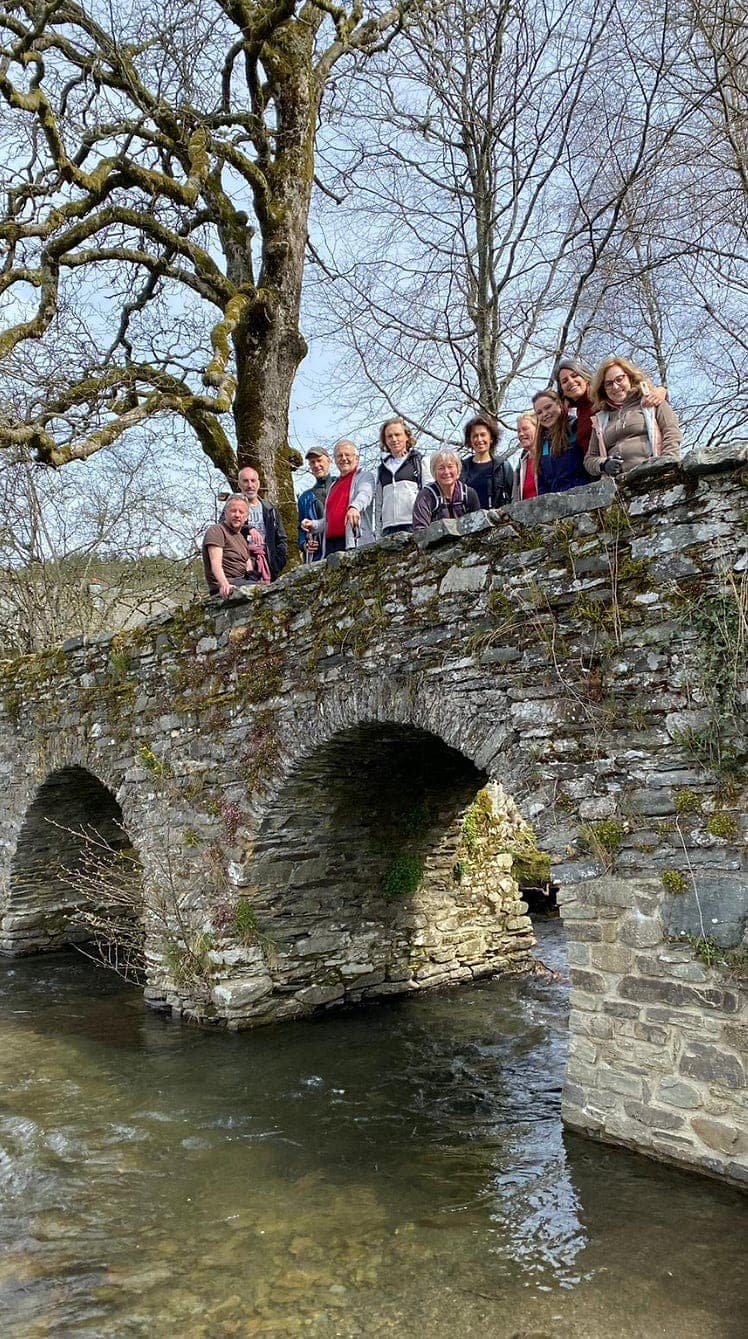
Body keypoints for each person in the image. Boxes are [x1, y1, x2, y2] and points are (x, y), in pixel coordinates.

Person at [584, 357, 682, 479]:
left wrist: (666, 464)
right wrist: (604, 464)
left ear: (630, 377)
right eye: (608, 384)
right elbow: (589, 459)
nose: (615, 387)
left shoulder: (652, 402)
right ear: (603, 389)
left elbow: (671, 432)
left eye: (619, 379)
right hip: (618, 485)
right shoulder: (600, 420)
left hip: (653, 474)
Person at [556, 355, 667, 456]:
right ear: (562, 389)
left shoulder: (603, 399)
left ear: (585, 377)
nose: (571, 381)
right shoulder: (573, 414)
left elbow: (631, 399)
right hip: (595, 470)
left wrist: (661, 390)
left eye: (575, 376)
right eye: (564, 381)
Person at [300, 440, 375, 556]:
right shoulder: (334, 486)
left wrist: (354, 507)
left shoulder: (364, 477)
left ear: (357, 458)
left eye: (347, 455)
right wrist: (313, 524)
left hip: (353, 542)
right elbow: (328, 521)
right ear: (335, 460)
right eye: (339, 456)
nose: (344, 458)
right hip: (330, 546)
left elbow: (365, 494)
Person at [374, 417, 430, 537]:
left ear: (407, 437)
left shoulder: (420, 462)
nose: (394, 439)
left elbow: (429, 495)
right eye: (389, 436)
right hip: (388, 529)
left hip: (413, 524)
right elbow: (379, 504)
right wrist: (378, 533)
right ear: (385, 440)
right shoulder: (382, 469)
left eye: (397, 435)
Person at [202, 495, 263, 598]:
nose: (237, 515)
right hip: (225, 585)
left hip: (242, 581)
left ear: (247, 517)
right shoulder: (217, 531)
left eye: (241, 512)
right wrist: (224, 584)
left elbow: (248, 566)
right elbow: (215, 564)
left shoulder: (242, 538)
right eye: (233, 511)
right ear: (226, 513)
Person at [531, 389, 589, 494]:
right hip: (556, 504)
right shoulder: (542, 443)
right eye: (539, 412)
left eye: (548, 407)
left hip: (583, 495)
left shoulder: (575, 427)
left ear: (559, 405)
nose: (544, 414)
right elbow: (542, 483)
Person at [235, 466, 288, 580]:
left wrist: (278, 561)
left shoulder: (269, 508)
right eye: (245, 481)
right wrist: (248, 528)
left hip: (269, 566)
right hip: (243, 566)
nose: (250, 485)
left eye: (253, 481)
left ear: (258, 483)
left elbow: (281, 538)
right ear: (239, 484)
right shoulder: (233, 507)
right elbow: (224, 529)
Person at [412, 450, 481, 531]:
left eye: (450, 466)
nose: (446, 472)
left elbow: (478, 526)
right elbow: (420, 530)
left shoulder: (469, 494)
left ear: (458, 469)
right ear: (434, 472)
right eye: (441, 468)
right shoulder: (426, 496)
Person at [460, 413, 513, 510]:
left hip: (498, 521)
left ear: (491, 438)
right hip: (467, 521)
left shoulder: (503, 467)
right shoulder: (461, 468)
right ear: (470, 440)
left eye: (483, 435)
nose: (479, 439)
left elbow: (511, 496)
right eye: (475, 436)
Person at [297, 447, 334, 562]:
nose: (316, 465)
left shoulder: (341, 486)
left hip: (342, 548)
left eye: (319, 460)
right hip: (316, 558)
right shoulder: (305, 498)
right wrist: (304, 545)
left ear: (329, 460)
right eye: (312, 462)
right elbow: (301, 529)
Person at [511, 412, 538, 501]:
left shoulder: (548, 457)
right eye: (518, 431)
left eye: (525, 429)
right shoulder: (520, 466)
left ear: (538, 429)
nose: (521, 434)